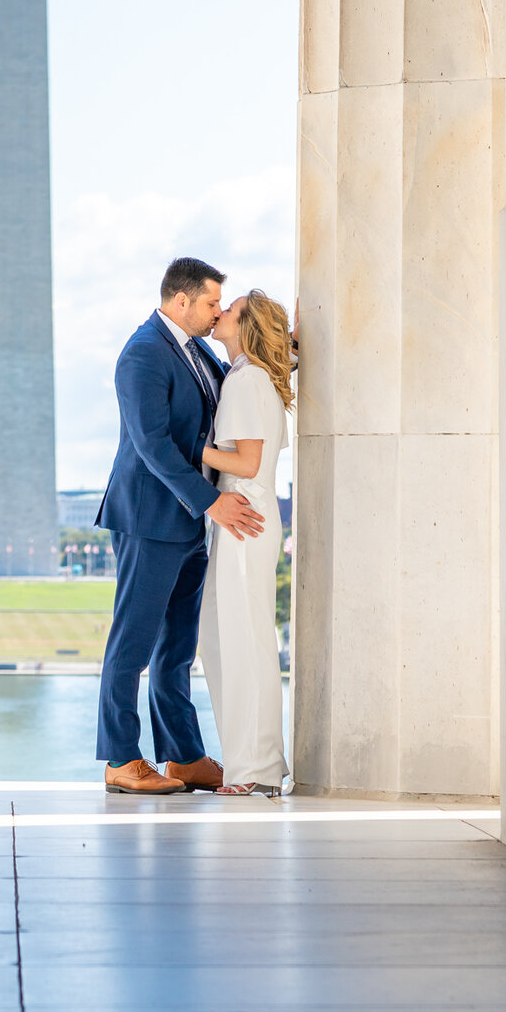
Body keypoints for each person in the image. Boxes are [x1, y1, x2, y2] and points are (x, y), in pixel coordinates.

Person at [94, 257, 267, 794]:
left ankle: (184, 756)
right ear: (181, 301)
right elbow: (153, 446)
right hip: (151, 520)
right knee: (133, 645)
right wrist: (210, 504)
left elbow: (243, 382)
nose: (218, 314)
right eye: (213, 303)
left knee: (176, 648)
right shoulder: (143, 354)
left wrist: (291, 343)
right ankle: (122, 760)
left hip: (189, 524)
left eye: (222, 306)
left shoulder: (196, 354)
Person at [196, 290, 295, 796]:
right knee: (232, 642)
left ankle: (250, 771)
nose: (219, 314)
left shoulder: (247, 380)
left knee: (240, 645)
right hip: (243, 522)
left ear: (246, 325)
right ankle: (257, 765)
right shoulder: (251, 378)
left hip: (242, 522)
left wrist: (193, 449)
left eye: (228, 309)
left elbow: (248, 463)